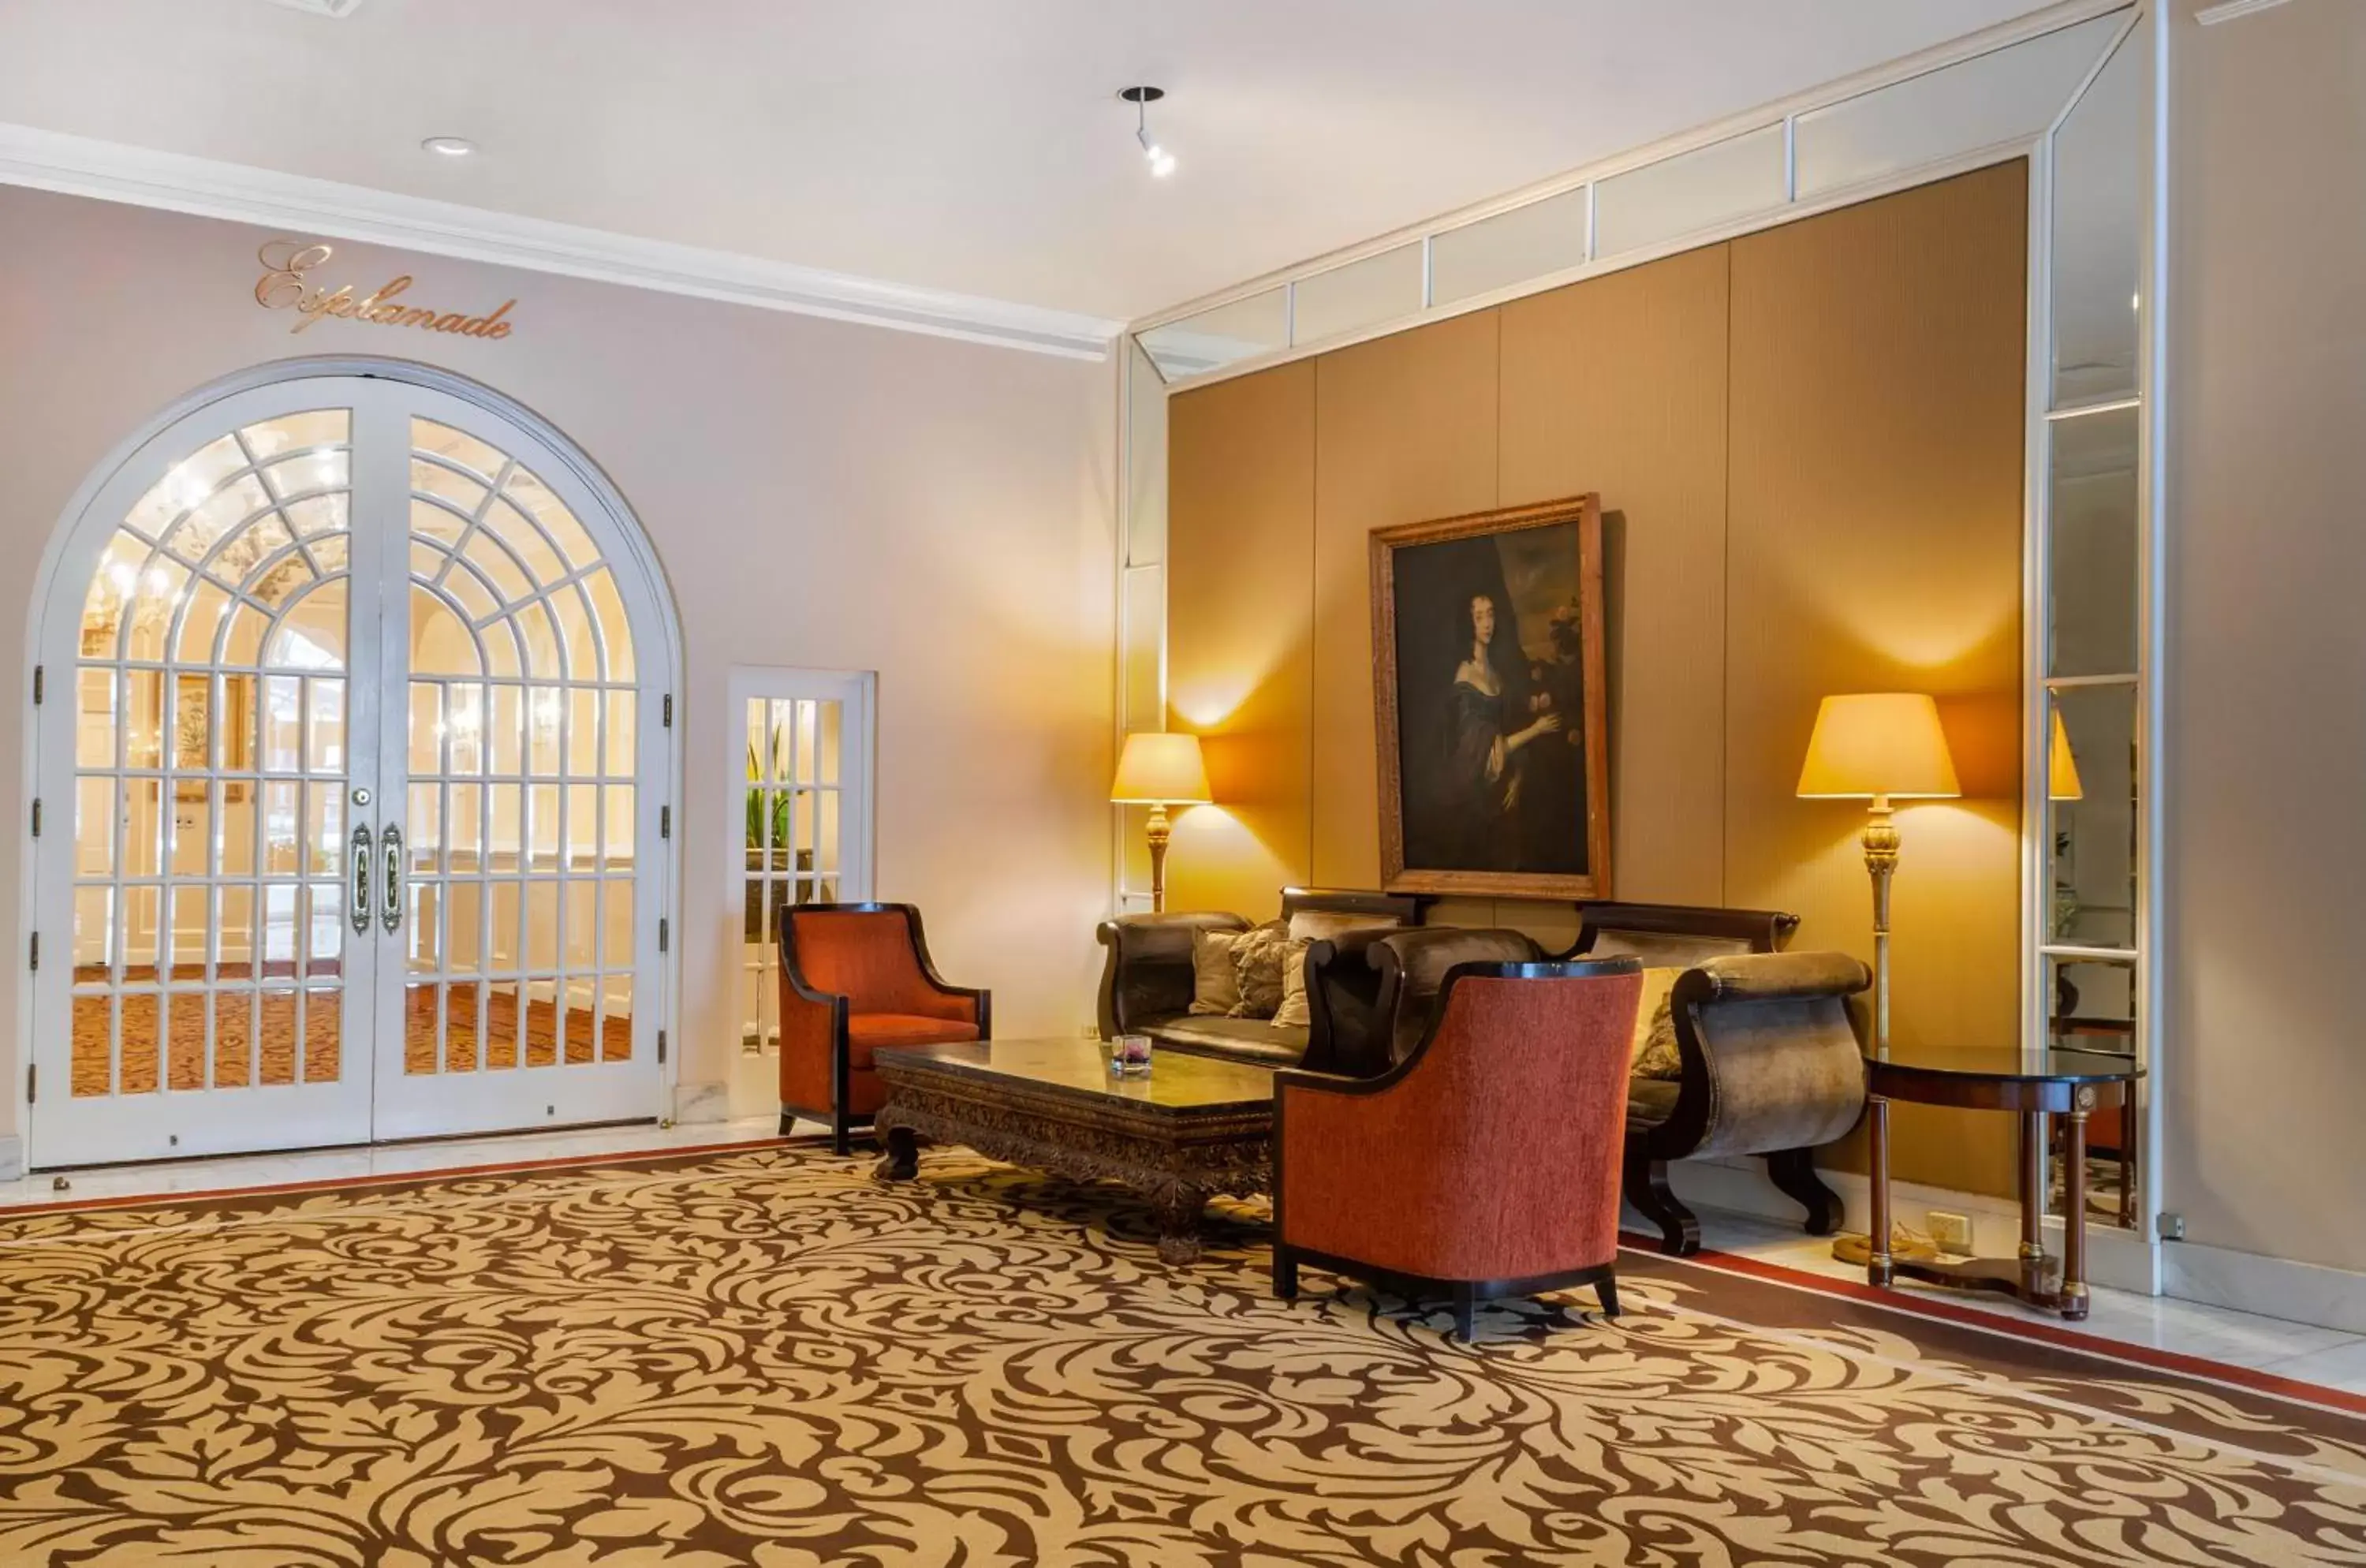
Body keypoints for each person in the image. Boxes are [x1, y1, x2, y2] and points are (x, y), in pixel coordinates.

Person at [1445, 592, 1561, 869]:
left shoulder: (1495, 673)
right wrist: (1537, 729)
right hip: (1477, 795)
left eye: (1491, 614)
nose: (1487, 623)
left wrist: (1518, 775)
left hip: (1505, 785)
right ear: (1468, 623)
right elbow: (1488, 751)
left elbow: (1507, 728)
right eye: (1479, 617)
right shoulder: (1465, 681)